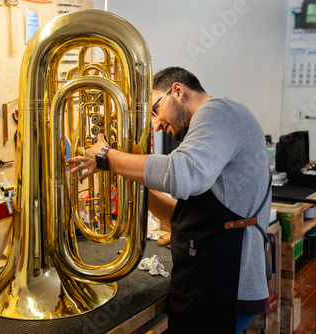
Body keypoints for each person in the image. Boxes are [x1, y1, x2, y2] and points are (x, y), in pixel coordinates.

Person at [67, 66, 272, 333]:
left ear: (178, 91)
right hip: (210, 278)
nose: (155, 123)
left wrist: (108, 156)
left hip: (224, 285)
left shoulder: (217, 112)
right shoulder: (214, 124)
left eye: (155, 109)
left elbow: (182, 175)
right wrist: (124, 173)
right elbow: (187, 219)